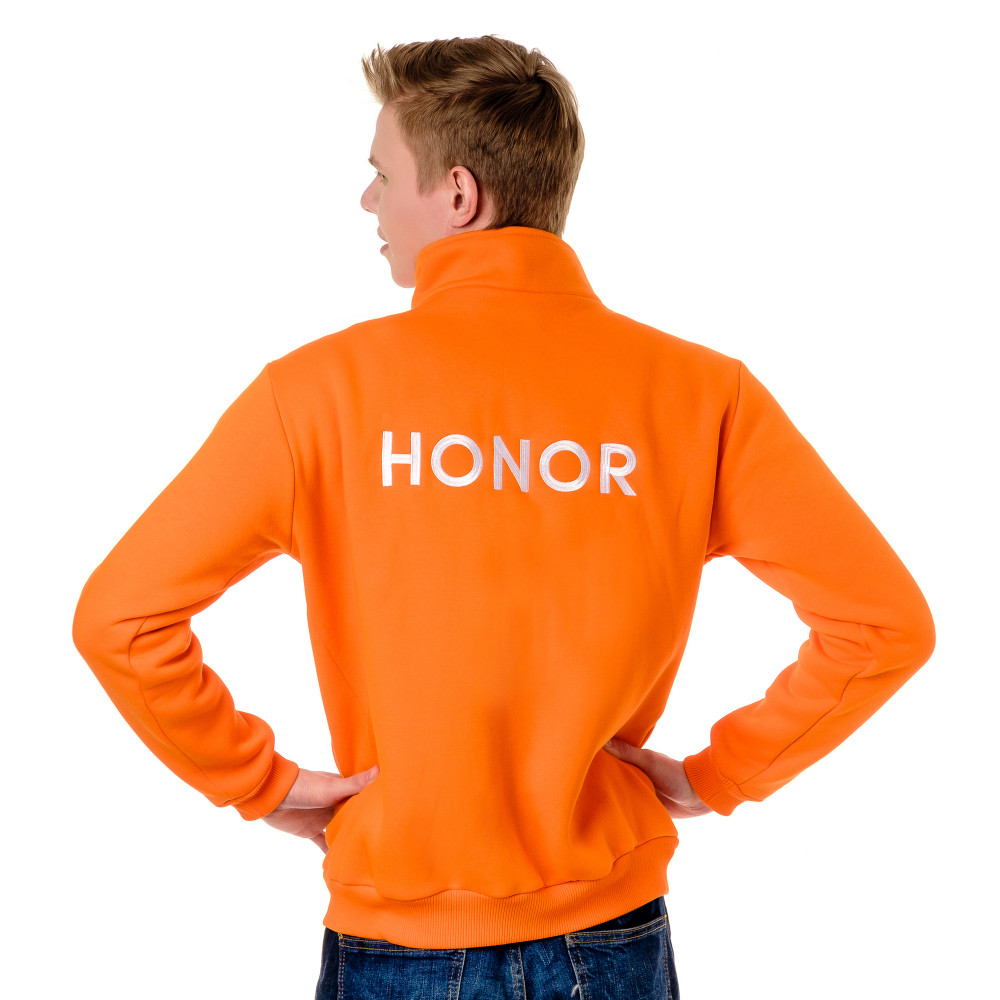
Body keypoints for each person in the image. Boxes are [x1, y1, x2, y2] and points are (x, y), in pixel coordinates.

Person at [72, 34, 935, 1000]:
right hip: (609, 933)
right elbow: (881, 627)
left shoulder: (314, 394)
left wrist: (259, 783)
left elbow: (121, 621)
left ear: (457, 195)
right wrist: (717, 776)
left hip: (396, 934)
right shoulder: (701, 395)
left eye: (381, 174)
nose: (367, 202)